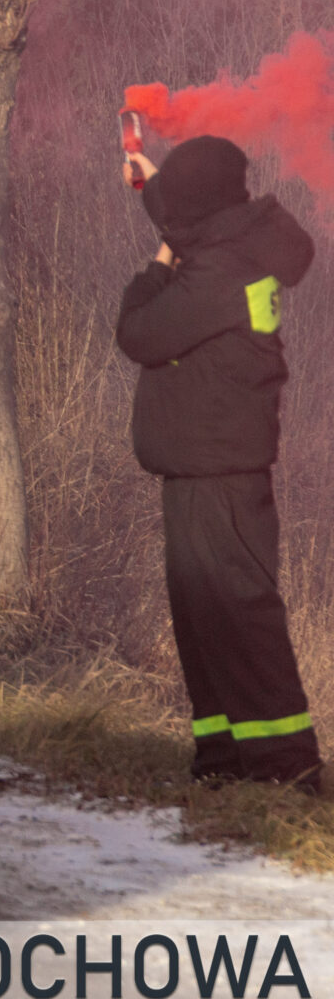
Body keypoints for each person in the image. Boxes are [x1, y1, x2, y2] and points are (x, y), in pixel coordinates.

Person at [117, 135, 320, 792]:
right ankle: (227, 759)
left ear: (199, 210)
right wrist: (151, 182)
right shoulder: (237, 241)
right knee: (204, 614)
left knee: (238, 612)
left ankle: (286, 766)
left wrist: (157, 262)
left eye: (178, 200)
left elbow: (137, 331)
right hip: (204, 464)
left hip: (219, 469)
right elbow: (192, 218)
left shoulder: (221, 269)